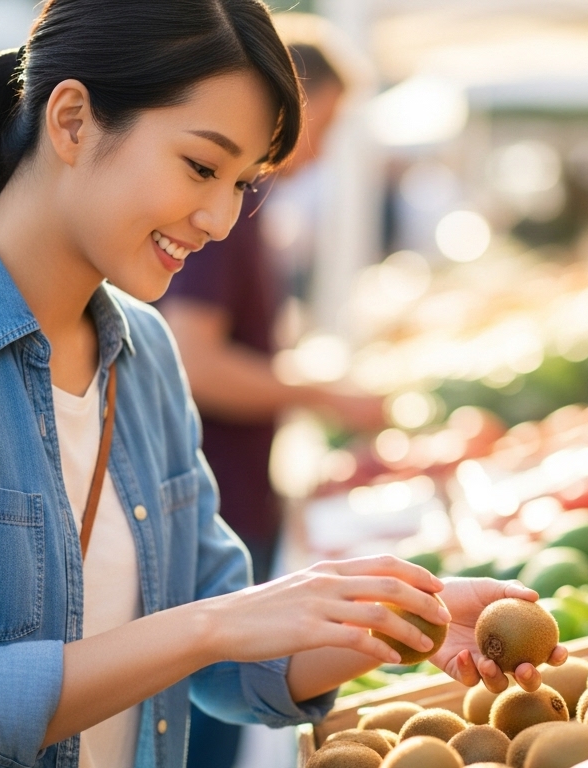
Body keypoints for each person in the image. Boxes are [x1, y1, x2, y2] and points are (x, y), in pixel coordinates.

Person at [0, 2, 563, 767]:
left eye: (243, 183)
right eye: (202, 166)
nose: (220, 218)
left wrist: (393, 620)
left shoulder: (146, 354)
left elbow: (234, 663)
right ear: (71, 121)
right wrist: (211, 627)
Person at [159, 38, 385, 768]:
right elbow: (195, 359)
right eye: (328, 116)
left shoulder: (246, 209)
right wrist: (318, 392)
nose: (327, 137)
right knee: (208, 723)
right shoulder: (231, 213)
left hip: (228, 494)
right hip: (216, 493)